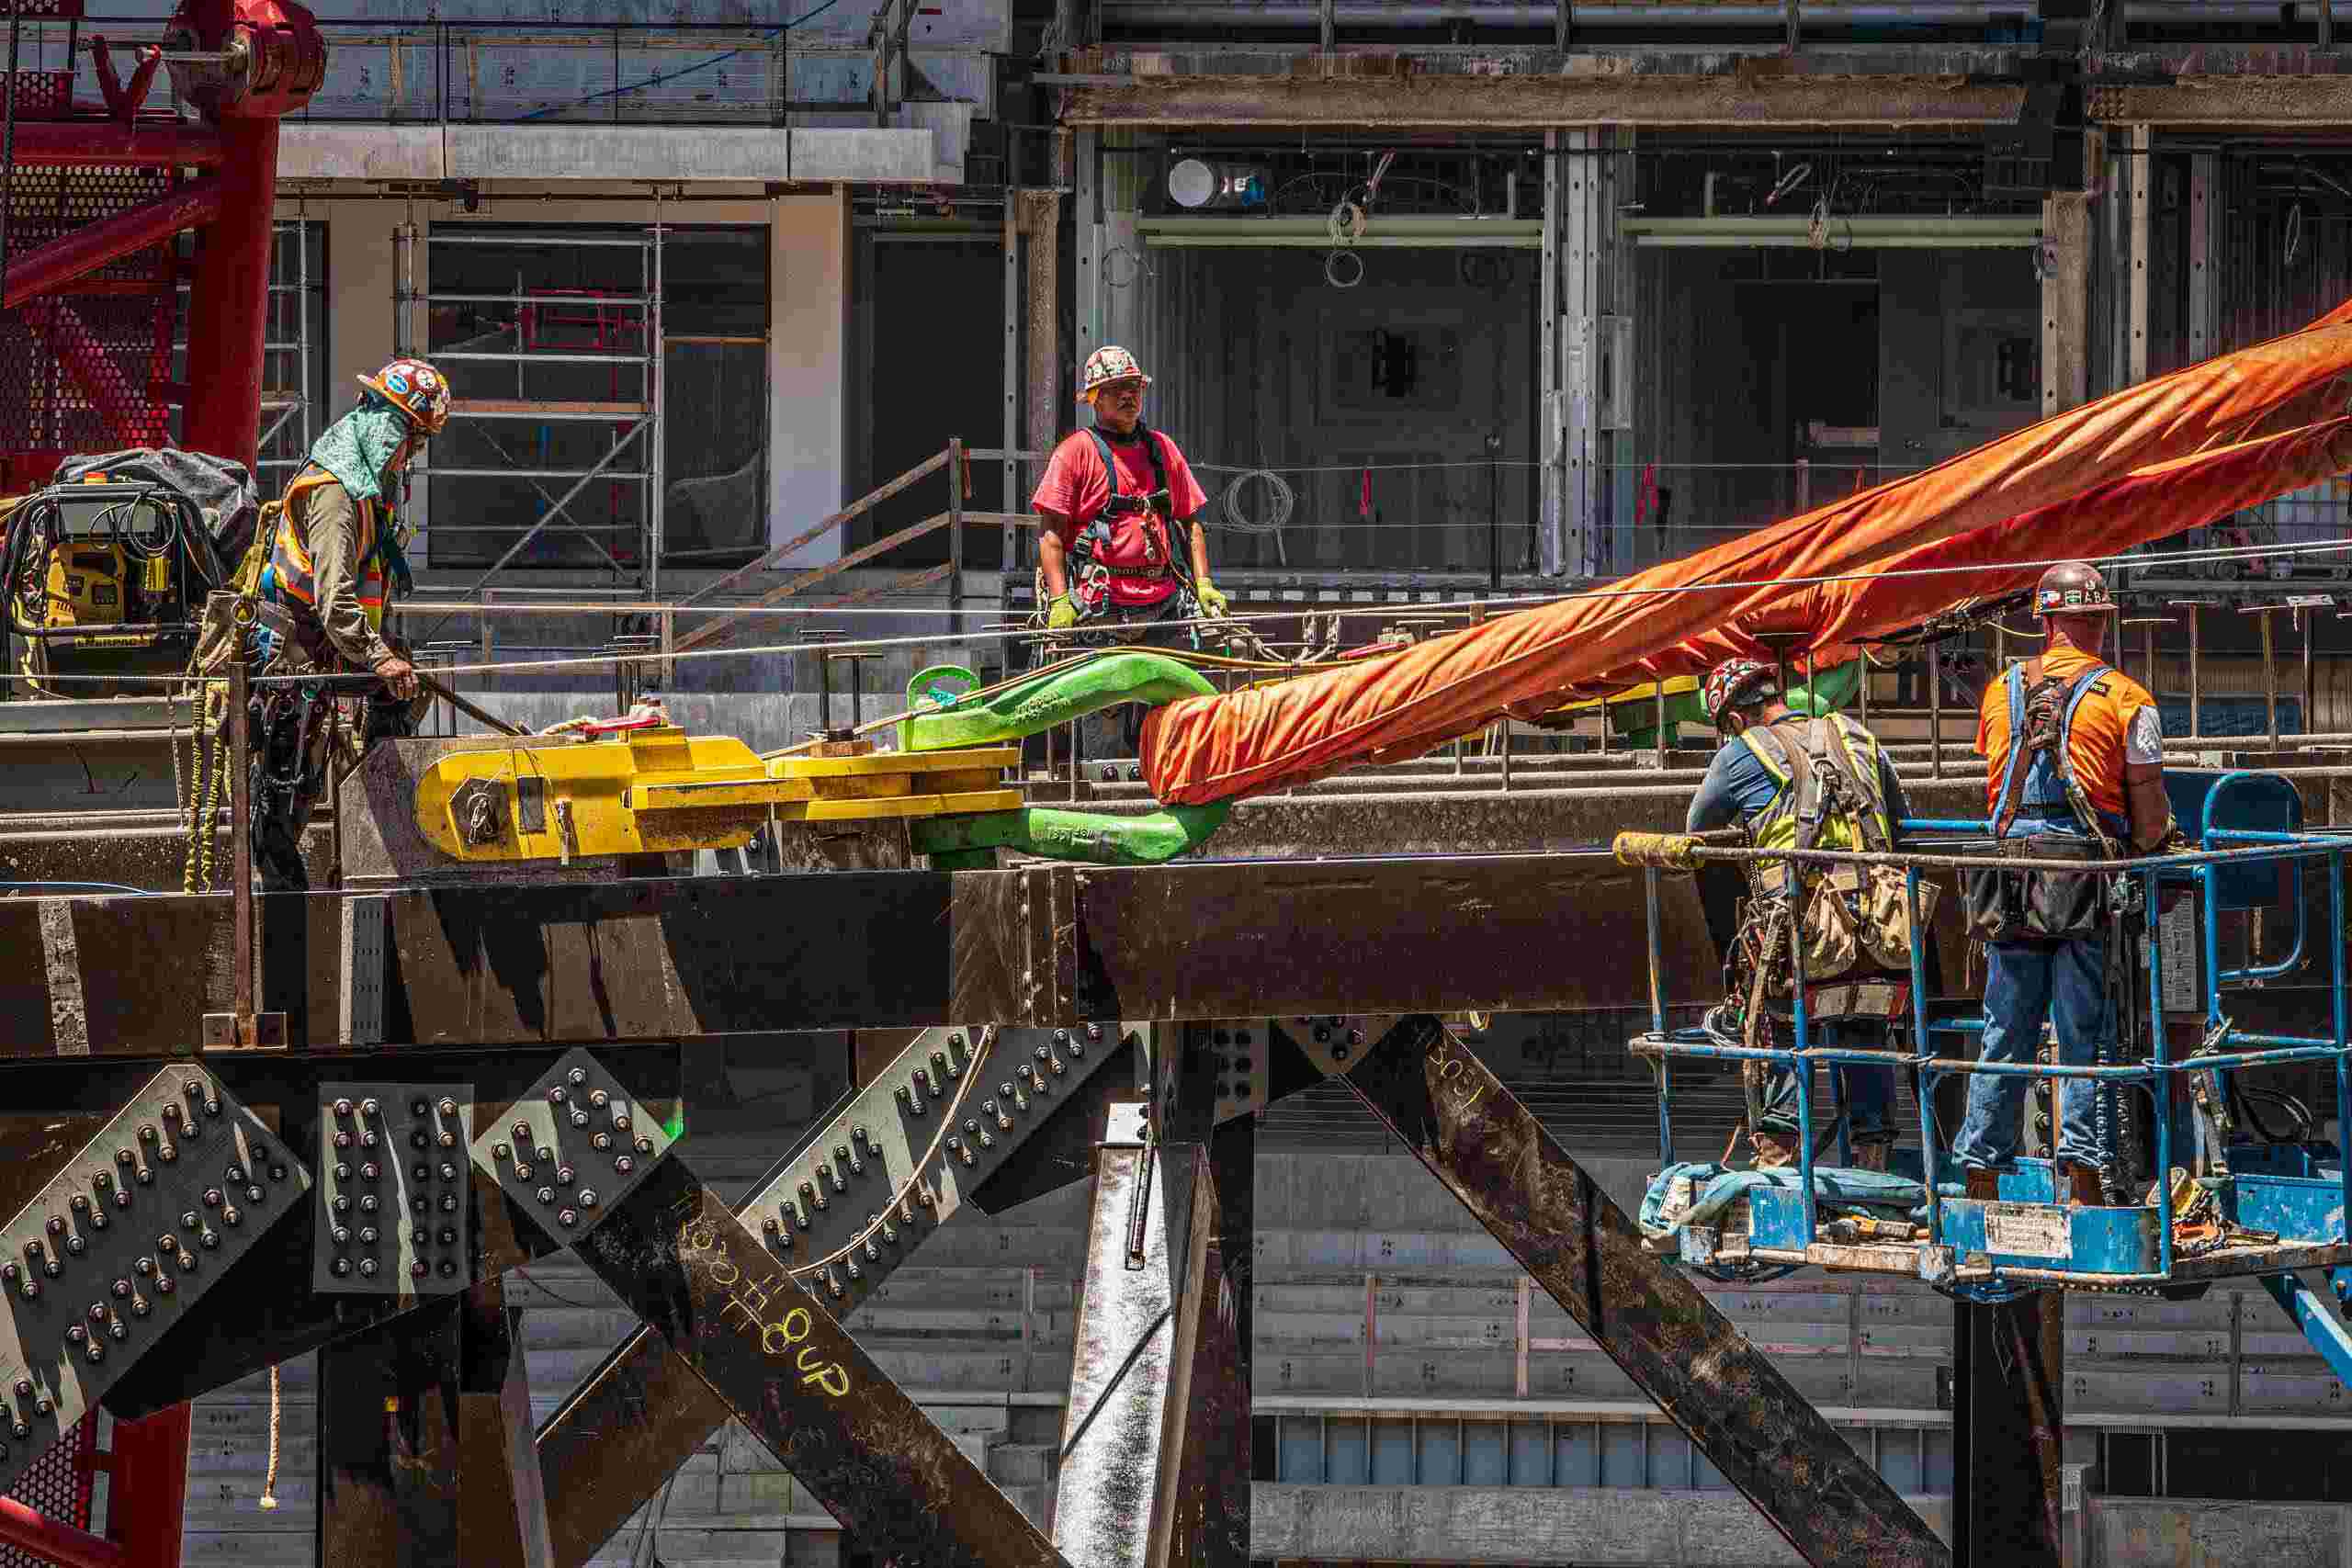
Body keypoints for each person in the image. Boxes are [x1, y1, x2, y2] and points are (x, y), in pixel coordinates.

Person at [1955, 561, 2177, 1205]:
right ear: (2099, 623)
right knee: (2084, 1032)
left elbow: (1999, 785)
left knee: (2004, 1027)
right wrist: (2146, 845)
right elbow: (2150, 815)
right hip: (2082, 878)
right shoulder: (2127, 699)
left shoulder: (2000, 692)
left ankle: (1981, 1175)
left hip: (2011, 875)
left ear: (2045, 620)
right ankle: (2081, 1179)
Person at [1689, 658, 1917, 1172]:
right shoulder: (1855, 735)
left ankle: (1778, 1156)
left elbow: (1697, 828)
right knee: (1864, 1022)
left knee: (1784, 1027)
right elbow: (1899, 821)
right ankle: (1872, 1162)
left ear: (1733, 719)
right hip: (1882, 928)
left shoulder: (1739, 754)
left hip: (1805, 930)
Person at [244, 356, 449, 889]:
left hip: (324, 645)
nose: (411, 457)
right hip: (295, 650)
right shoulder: (336, 494)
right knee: (286, 786)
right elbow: (333, 601)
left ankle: (377, 836)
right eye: (412, 440)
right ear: (387, 431)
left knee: (397, 692)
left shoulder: (362, 489)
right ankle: (284, 901)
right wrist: (378, 656)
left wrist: (384, 654)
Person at [1030, 345, 1228, 761]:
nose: (1129, 397)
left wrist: (1205, 585)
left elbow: (1191, 523)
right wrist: (1061, 600)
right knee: (1106, 720)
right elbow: (1050, 534)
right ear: (1094, 398)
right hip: (1103, 610)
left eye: (1134, 387)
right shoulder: (1075, 453)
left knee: (1174, 715)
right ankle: (1109, 807)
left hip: (1162, 605)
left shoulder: (1161, 450)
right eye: (1117, 388)